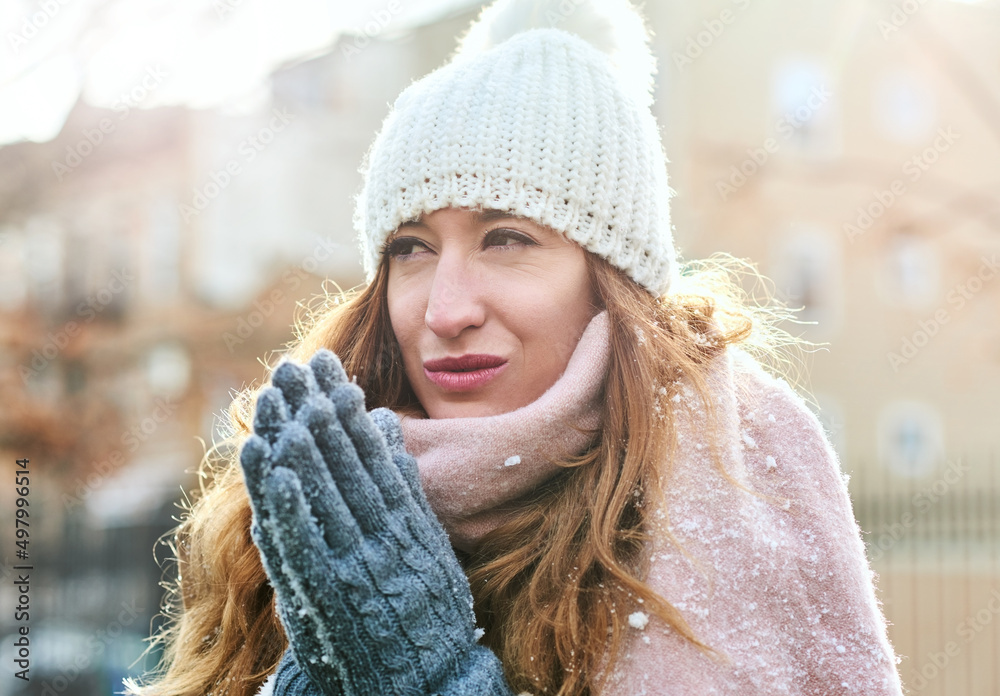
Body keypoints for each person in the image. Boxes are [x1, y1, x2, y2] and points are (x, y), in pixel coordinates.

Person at [125, 0, 905, 694]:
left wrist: (431, 681)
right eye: (411, 248)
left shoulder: (746, 484)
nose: (446, 308)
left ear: (611, 280)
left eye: (507, 238)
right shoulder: (308, 507)